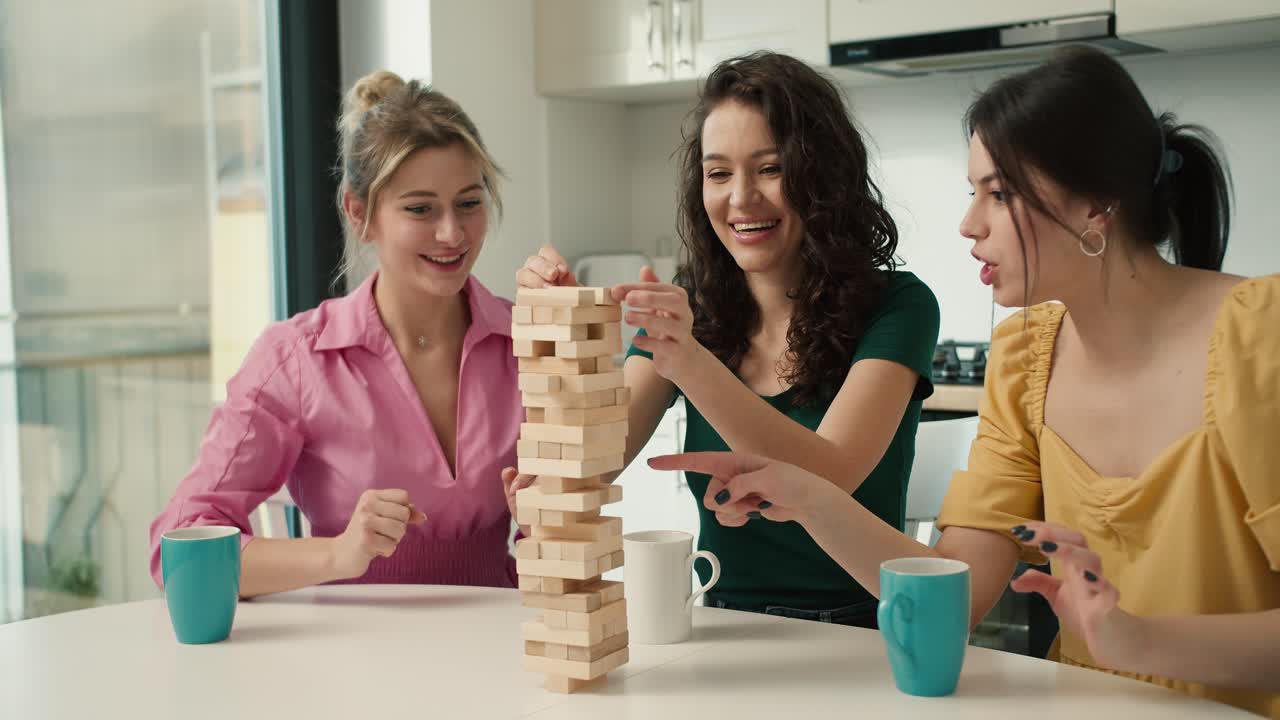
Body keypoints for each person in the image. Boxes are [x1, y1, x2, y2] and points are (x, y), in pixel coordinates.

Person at [650, 45, 1280, 717]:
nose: (969, 223)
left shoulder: (1260, 337)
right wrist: (803, 495)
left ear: (1096, 205)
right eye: (973, 191)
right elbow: (955, 600)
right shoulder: (1026, 361)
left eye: (999, 193)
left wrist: (1137, 641)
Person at [507, 52, 940, 628]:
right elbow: (593, 462)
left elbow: (829, 477)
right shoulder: (697, 304)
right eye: (718, 174)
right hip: (722, 622)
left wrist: (691, 363)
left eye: (770, 168)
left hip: (864, 626)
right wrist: (565, 334)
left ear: (823, 175)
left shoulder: (899, 304)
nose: (740, 198)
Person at [150, 71, 524, 597]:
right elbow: (179, 552)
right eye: (420, 209)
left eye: (468, 202)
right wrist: (339, 553)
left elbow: (567, 545)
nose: (452, 233)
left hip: (503, 637)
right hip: (348, 646)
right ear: (359, 213)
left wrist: (598, 340)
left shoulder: (530, 343)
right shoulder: (295, 360)